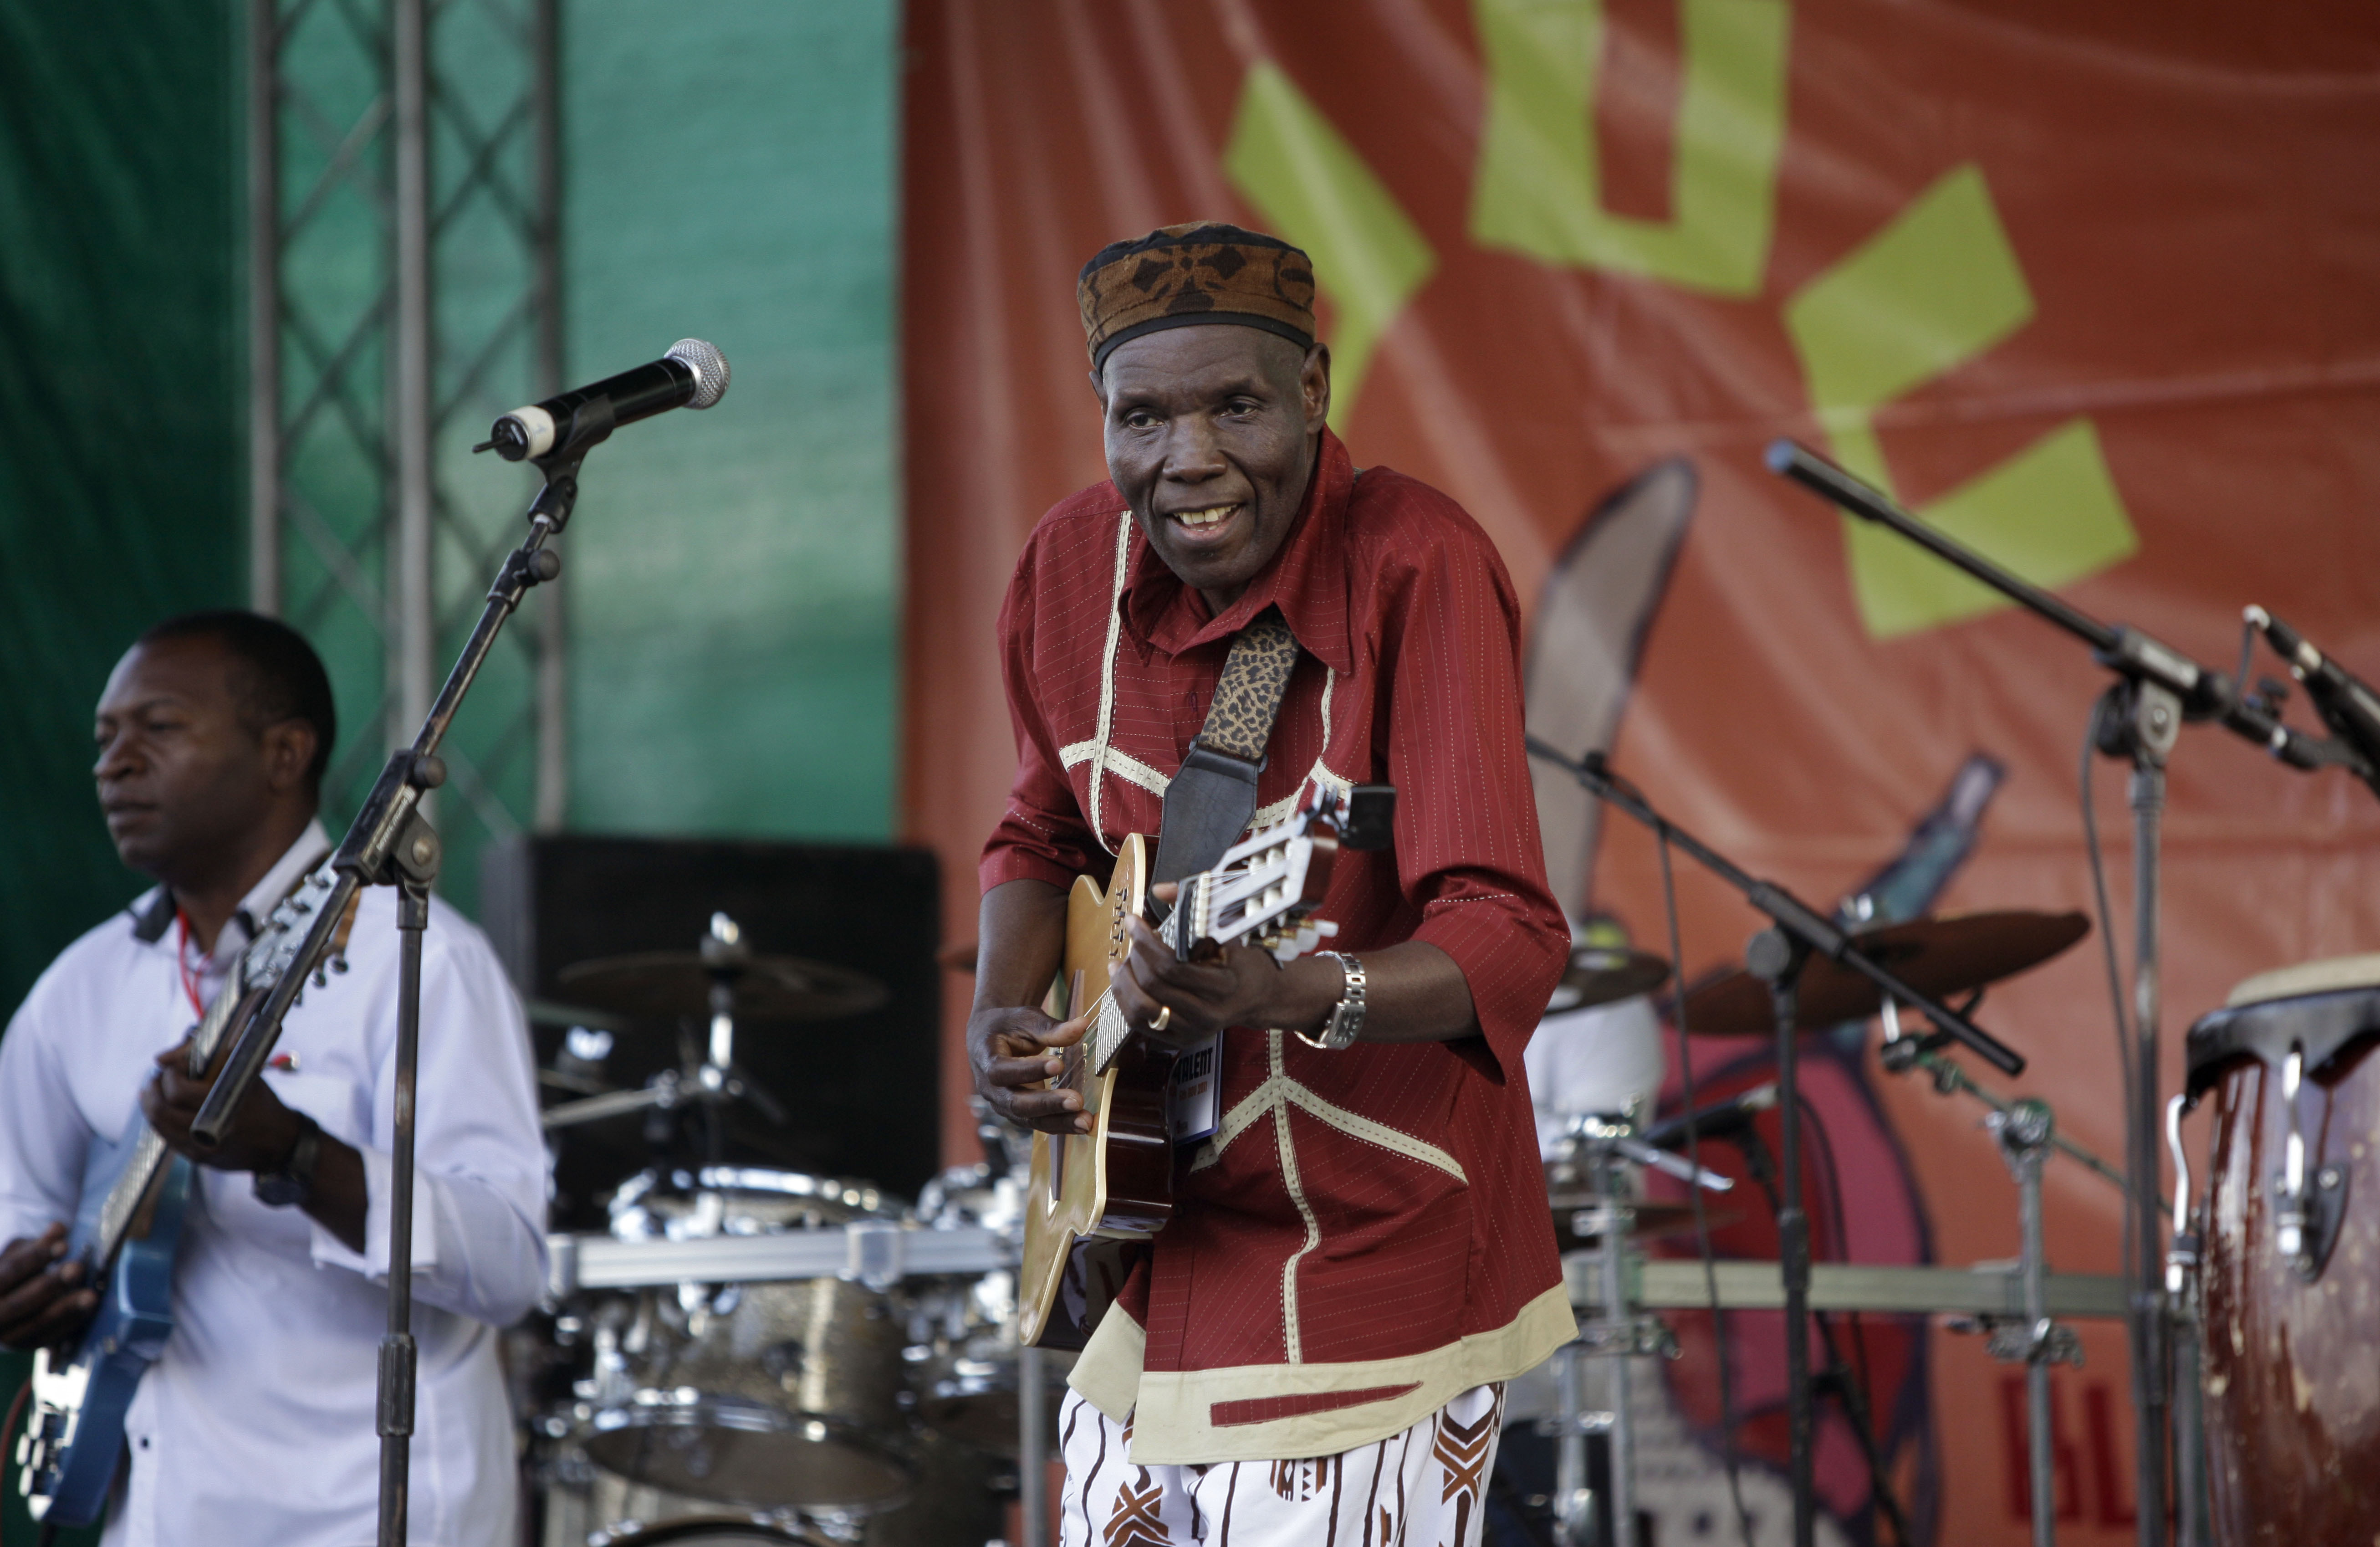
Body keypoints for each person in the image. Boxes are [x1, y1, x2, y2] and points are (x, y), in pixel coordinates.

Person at [969, 222, 1574, 1545]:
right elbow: (1037, 834)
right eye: (1142, 418)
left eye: (1233, 404)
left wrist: (1290, 987)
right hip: (1144, 1252)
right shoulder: (1066, 569)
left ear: (1311, 391)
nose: (1187, 460)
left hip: (1367, 1255)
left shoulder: (1415, 563)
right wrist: (1002, 1020)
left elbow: (1510, 932)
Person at [0, 611, 548, 1547]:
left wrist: (297, 1153)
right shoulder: (78, 989)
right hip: (164, 1508)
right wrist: (23, 1287)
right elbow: (22, 1203)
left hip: (374, 1511)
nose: (113, 763)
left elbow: (511, 1267)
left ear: (285, 753)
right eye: (104, 739)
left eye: (158, 729)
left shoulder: (410, 961)